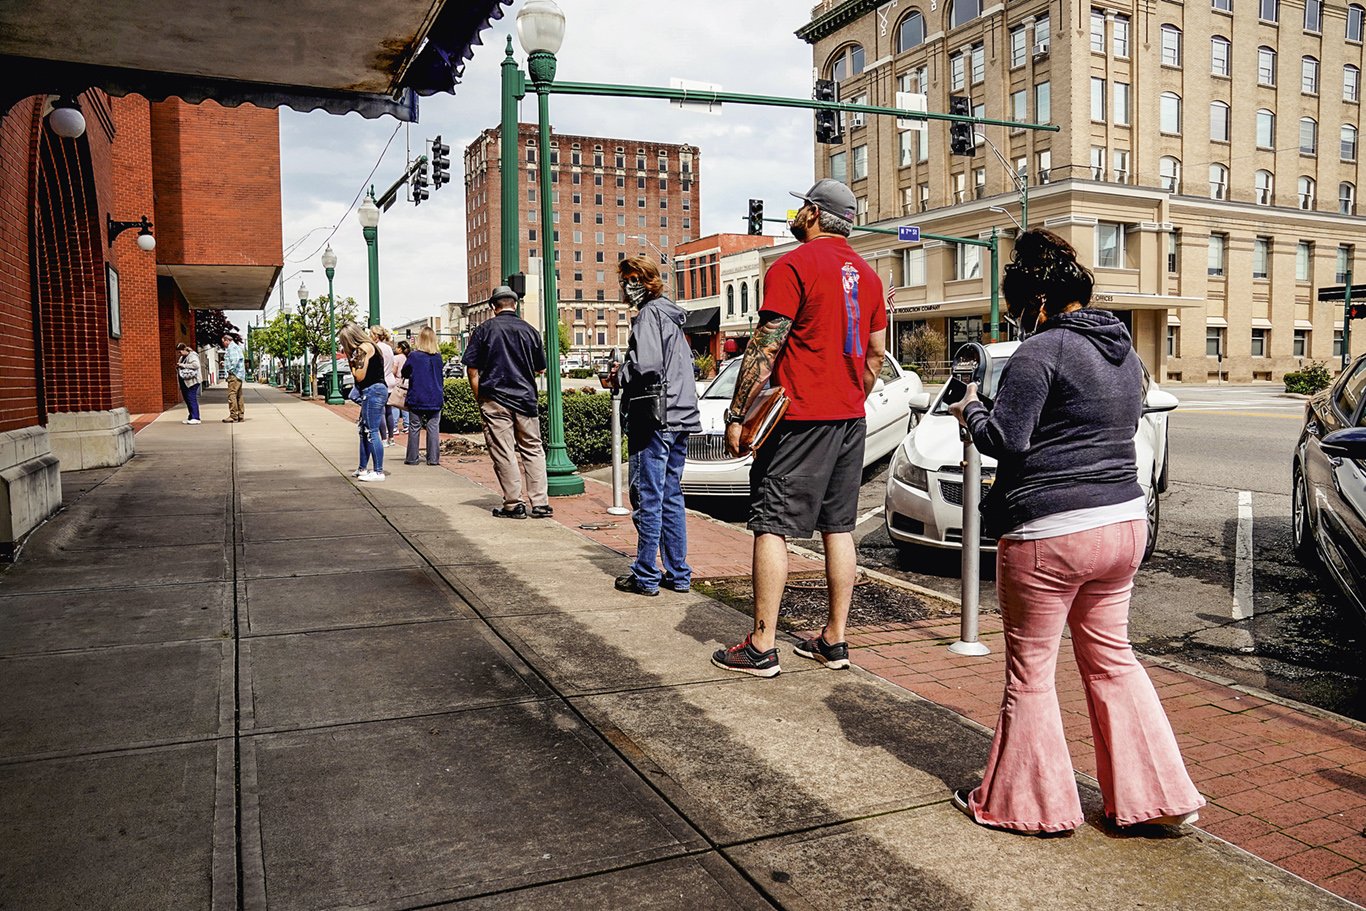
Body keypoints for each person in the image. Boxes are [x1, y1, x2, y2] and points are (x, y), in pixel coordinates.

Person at [947, 228, 1203, 836]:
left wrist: (970, 410)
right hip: (1122, 524)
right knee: (1114, 660)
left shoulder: (1041, 353)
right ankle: (1156, 798)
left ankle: (1031, 805)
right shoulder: (1125, 352)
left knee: (1031, 672)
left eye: (1016, 312)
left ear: (1036, 302)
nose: (1015, 325)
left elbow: (1007, 441)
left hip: (1051, 534)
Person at [713, 178, 885, 677]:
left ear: (812, 213)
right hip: (850, 418)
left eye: (801, 210)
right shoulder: (870, 277)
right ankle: (835, 639)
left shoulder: (792, 265)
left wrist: (737, 413)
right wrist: (851, 393)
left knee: (772, 525)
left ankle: (762, 644)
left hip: (799, 420)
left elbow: (765, 346)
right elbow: (875, 353)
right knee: (839, 527)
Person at [611, 255, 701, 597]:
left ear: (642, 281)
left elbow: (647, 364)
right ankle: (678, 573)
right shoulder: (669, 315)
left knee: (648, 496)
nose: (626, 287)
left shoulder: (649, 314)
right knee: (672, 496)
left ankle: (646, 574)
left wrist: (621, 374)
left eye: (630, 279)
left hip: (656, 417)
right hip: (680, 415)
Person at [461, 286, 553, 519]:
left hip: (494, 398)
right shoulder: (530, 331)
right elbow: (540, 367)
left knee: (504, 451)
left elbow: (472, 369)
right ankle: (540, 503)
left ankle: (514, 504)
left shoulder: (484, 330)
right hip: (525, 399)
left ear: (493, 307)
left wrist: (479, 397)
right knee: (533, 449)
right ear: (515, 305)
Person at [340, 322, 387, 481]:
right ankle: (363, 468)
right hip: (375, 390)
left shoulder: (362, 349)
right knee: (365, 430)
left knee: (371, 431)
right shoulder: (371, 346)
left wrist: (350, 360)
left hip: (372, 391)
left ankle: (378, 471)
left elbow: (359, 376)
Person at [401, 327, 444, 466]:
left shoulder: (414, 356)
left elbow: (405, 372)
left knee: (414, 427)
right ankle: (433, 459)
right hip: (435, 397)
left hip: (417, 396)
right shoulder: (438, 357)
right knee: (433, 428)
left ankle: (412, 458)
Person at [370, 325, 398, 446]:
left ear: (376, 336)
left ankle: (384, 438)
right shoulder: (389, 348)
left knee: (380, 411)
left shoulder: (375, 348)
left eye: (371, 334)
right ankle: (391, 437)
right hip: (390, 380)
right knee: (389, 411)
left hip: (381, 381)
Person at [220, 332, 245, 422]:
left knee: (232, 395)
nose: (223, 344)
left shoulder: (232, 348)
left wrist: (230, 369)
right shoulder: (236, 347)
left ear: (227, 340)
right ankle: (240, 415)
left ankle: (233, 416)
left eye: (223, 342)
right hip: (239, 375)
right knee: (239, 395)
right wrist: (225, 363)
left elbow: (235, 360)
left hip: (234, 375)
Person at [176, 343, 202, 424]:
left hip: (192, 381)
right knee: (187, 399)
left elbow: (196, 365)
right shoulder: (182, 357)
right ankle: (191, 416)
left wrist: (183, 365)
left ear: (184, 349)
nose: (179, 354)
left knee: (191, 398)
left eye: (180, 352)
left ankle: (196, 417)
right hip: (185, 381)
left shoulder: (192, 356)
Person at [393, 340, 412, 433]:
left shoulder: (396, 358)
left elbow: (394, 371)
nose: (396, 348)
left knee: (396, 405)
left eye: (397, 347)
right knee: (405, 405)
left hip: (398, 382)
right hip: (407, 382)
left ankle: (394, 427)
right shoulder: (408, 357)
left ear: (400, 349)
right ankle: (407, 425)